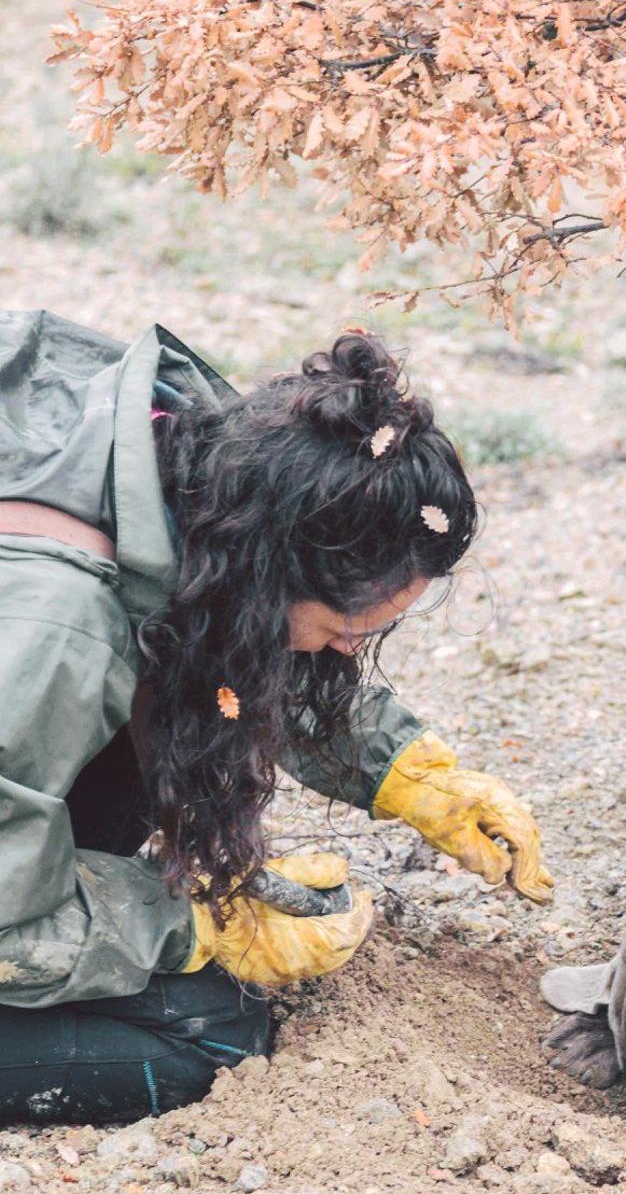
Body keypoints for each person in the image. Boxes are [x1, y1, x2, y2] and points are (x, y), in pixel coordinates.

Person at [0, 311, 552, 1124]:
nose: (343, 655)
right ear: (277, 569)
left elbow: (223, 624)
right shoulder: (56, 628)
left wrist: (409, 773)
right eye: (339, 633)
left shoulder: (202, 453)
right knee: (210, 1033)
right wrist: (191, 926)